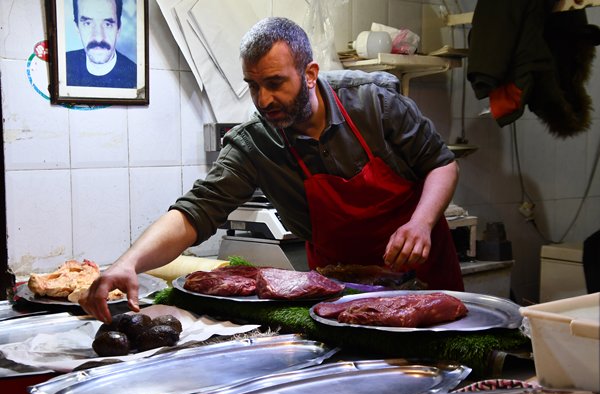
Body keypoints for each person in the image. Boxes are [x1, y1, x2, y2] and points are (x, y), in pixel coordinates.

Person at [80, 17, 463, 323]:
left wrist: (422, 223)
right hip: (341, 292)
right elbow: (194, 213)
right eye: (254, 86)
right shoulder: (255, 143)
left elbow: (441, 164)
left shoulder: (373, 104)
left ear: (309, 73)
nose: (264, 100)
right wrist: (127, 262)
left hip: (423, 273)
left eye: (275, 83)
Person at [66, 0, 136, 88]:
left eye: (107, 24)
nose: (98, 37)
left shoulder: (136, 77)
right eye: (88, 23)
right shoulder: (63, 66)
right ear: (77, 27)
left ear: (119, 28)